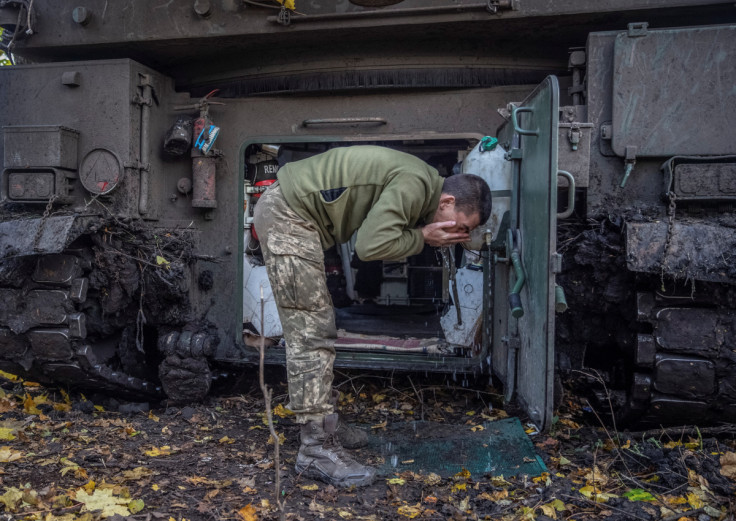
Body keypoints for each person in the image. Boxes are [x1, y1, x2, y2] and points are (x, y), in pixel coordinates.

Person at [253, 145, 492, 488]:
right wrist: (423, 236)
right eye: (459, 226)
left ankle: (326, 421)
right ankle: (315, 450)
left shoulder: (422, 185)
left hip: (295, 214)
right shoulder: (415, 184)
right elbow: (369, 246)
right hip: (288, 214)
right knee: (311, 330)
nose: (456, 235)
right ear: (448, 203)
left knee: (320, 326)